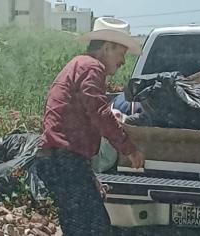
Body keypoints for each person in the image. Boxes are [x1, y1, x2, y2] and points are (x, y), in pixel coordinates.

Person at [33, 17, 144, 236]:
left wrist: (90, 176)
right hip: (64, 161)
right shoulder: (92, 67)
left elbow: (75, 126)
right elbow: (99, 113)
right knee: (95, 228)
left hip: (59, 159)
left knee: (80, 226)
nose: (122, 61)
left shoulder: (78, 65)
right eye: (121, 53)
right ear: (106, 47)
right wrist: (128, 148)